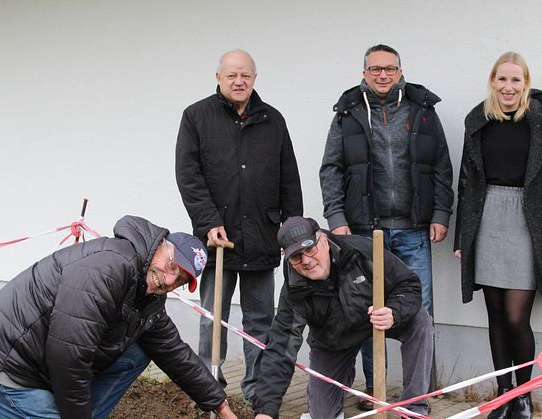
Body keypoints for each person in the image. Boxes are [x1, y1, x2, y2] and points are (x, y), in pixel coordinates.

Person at [0, 215, 237, 419]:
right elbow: (68, 356)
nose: (168, 279)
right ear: (161, 247)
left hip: (38, 367)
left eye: (180, 280)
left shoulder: (148, 295)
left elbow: (174, 352)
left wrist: (220, 405)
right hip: (0, 369)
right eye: (172, 266)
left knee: (141, 350)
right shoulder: (108, 268)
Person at [319, 43, 452, 407]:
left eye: (389, 69)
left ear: (400, 71)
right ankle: (375, 391)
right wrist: (337, 219)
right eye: (375, 69)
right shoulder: (347, 112)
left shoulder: (422, 110)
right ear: (363, 73)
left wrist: (440, 213)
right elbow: (331, 168)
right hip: (363, 232)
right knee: (366, 312)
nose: (382, 75)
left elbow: (440, 165)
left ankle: (416, 400)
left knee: (419, 313)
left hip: (413, 229)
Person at [175, 49, 303, 402]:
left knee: (260, 321)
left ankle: (258, 392)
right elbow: (189, 177)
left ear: (255, 78)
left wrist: (291, 233)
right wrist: (208, 222)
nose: (238, 81)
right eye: (231, 75)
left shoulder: (273, 120)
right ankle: (208, 389)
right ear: (218, 77)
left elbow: (289, 179)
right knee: (211, 319)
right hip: (219, 239)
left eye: (245, 75)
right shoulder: (196, 117)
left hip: (262, 237)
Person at [453, 51, 542, 419]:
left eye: (516, 80)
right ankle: (503, 396)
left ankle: (522, 396)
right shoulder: (480, 124)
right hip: (486, 220)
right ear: (492, 81)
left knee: (518, 318)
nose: (508, 87)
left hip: (527, 222)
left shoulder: (541, 125)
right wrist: (463, 238)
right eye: (502, 79)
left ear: (526, 84)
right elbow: (466, 183)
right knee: (496, 316)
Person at [252, 216, 434, 418]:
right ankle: (342, 377)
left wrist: (394, 312)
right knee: (322, 415)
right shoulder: (295, 289)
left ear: (323, 241)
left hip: (377, 319)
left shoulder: (361, 252)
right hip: (333, 339)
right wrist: (266, 410)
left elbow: (409, 285)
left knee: (420, 319)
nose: (306, 261)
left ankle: (413, 409)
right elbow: (280, 348)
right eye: (296, 257)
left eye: (310, 249)